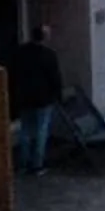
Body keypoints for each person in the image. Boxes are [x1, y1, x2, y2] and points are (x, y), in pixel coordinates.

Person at [9, 23, 64, 175]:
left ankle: (23, 164)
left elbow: (13, 72)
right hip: (43, 98)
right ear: (44, 37)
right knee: (41, 130)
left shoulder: (21, 52)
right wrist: (58, 96)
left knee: (25, 130)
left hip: (24, 97)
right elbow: (55, 78)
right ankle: (37, 164)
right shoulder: (49, 55)